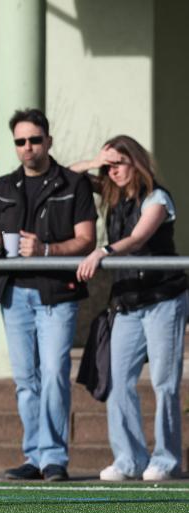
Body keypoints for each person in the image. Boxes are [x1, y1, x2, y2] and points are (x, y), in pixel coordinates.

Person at [0, 108, 97, 482]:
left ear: (48, 140)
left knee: (54, 375)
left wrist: (46, 250)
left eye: (34, 140)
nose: (27, 147)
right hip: (14, 293)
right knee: (26, 380)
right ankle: (34, 454)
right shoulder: (3, 186)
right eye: (20, 141)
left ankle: (54, 458)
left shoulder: (73, 184)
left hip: (57, 293)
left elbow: (87, 239)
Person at [73, 136, 188, 482]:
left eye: (119, 163)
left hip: (162, 300)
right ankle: (128, 459)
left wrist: (102, 252)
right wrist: (96, 160)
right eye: (108, 167)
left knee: (164, 383)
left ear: (135, 162)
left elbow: (138, 238)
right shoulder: (111, 193)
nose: (113, 171)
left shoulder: (157, 197)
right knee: (118, 382)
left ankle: (165, 460)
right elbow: (66, 175)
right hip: (126, 303)